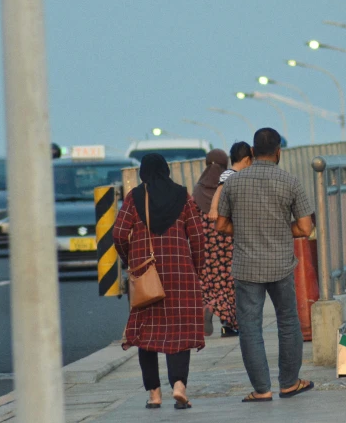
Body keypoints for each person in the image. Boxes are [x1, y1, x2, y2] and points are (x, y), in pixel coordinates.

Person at [217, 128, 314, 402]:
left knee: (249, 326)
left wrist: (247, 229)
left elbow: (221, 224)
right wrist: (282, 229)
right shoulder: (290, 181)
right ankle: (289, 384)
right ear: (279, 151)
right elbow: (306, 227)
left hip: (247, 266)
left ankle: (262, 390)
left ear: (251, 152)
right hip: (281, 264)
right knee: (287, 321)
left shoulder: (234, 183)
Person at [114, 153, 205, 410]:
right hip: (180, 272)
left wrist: (130, 260)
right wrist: (196, 268)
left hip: (147, 273)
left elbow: (119, 233)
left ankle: (154, 394)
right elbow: (197, 236)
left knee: (147, 332)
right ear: (166, 170)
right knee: (179, 328)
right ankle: (179, 386)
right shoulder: (183, 196)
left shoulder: (134, 198)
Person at [195, 145, 252, 338]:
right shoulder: (229, 184)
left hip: (205, 247)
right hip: (227, 242)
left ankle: (208, 307)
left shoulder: (197, 190)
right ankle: (229, 324)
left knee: (209, 281)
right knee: (229, 282)